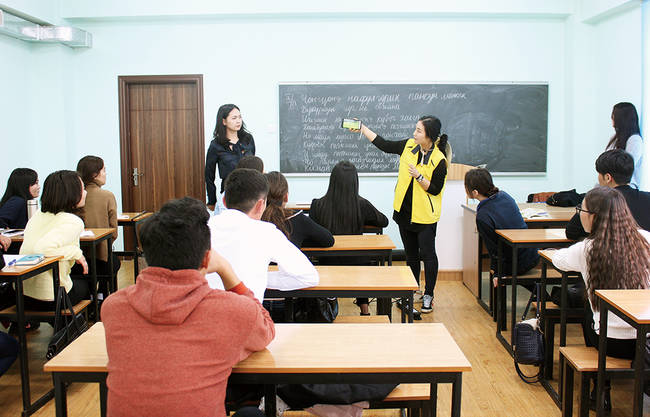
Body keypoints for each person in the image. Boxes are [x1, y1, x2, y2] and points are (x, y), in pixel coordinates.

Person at [102, 197, 274, 417]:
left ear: (146, 254)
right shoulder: (232, 310)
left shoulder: (113, 307)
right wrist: (225, 269)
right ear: (206, 260)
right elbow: (266, 329)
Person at [552, 186, 650, 410]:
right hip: (645, 342)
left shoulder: (587, 248)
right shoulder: (646, 240)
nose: (580, 215)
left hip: (609, 343)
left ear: (593, 217)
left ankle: (601, 389)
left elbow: (558, 260)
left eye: (581, 211)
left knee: (590, 307)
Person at [352, 116, 449, 313]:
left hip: (425, 216)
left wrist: (419, 177)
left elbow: (435, 190)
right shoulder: (408, 146)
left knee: (428, 255)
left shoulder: (439, 160)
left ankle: (429, 294)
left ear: (429, 135)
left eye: (419, 131)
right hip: (404, 212)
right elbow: (384, 144)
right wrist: (363, 128)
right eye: (415, 129)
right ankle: (411, 290)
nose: (414, 133)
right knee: (411, 255)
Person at [206, 168, 318, 303]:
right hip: (247, 313)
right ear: (260, 205)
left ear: (224, 201)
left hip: (201, 313)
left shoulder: (202, 229)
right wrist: (262, 277)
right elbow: (309, 277)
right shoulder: (267, 233)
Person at [309, 161, 388, 316]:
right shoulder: (361, 205)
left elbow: (312, 230)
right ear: (354, 182)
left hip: (327, 263)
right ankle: (365, 310)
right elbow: (383, 221)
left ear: (332, 181)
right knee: (361, 261)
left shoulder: (317, 205)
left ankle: (329, 302)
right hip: (357, 263)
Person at [19, 170, 89, 310]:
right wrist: (76, 253)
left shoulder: (38, 215)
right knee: (87, 285)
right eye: (82, 189)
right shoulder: (73, 221)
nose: (86, 193)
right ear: (71, 193)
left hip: (23, 295)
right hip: (51, 297)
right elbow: (41, 249)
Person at [464, 168, 539, 287]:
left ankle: (539, 294)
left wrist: (498, 273)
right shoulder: (504, 196)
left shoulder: (483, 215)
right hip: (532, 254)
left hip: (517, 263)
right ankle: (540, 294)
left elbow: (494, 250)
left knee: (500, 267)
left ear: (475, 192)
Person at [566, 149, 650, 240]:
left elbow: (571, 232)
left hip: (606, 248)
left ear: (607, 177)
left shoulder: (597, 201)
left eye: (599, 174)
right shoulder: (647, 198)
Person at [75, 156, 120, 292]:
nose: (106, 174)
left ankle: (91, 294)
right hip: (100, 259)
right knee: (114, 262)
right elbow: (113, 232)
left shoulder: (74, 195)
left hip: (76, 259)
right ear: (95, 174)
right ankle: (102, 293)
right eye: (104, 170)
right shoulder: (107, 196)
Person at [261, 171, 334, 248]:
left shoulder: (255, 220)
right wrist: (301, 239)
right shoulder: (296, 218)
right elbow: (328, 240)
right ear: (286, 197)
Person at [205, 104, 255, 212]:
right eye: (234, 118)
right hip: (229, 195)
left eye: (240, 117)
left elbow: (254, 165)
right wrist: (212, 201)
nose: (238, 121)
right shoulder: (216, 145)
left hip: (250, 194)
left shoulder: (248, 139)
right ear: (224, 121)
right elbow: (209, 176)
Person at [607, 102, 644, 189]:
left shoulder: (635, 140)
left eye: (614, 115)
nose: (612, 118)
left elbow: (625, 167)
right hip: (611, 187)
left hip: (627, 189)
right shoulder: (615, 138)